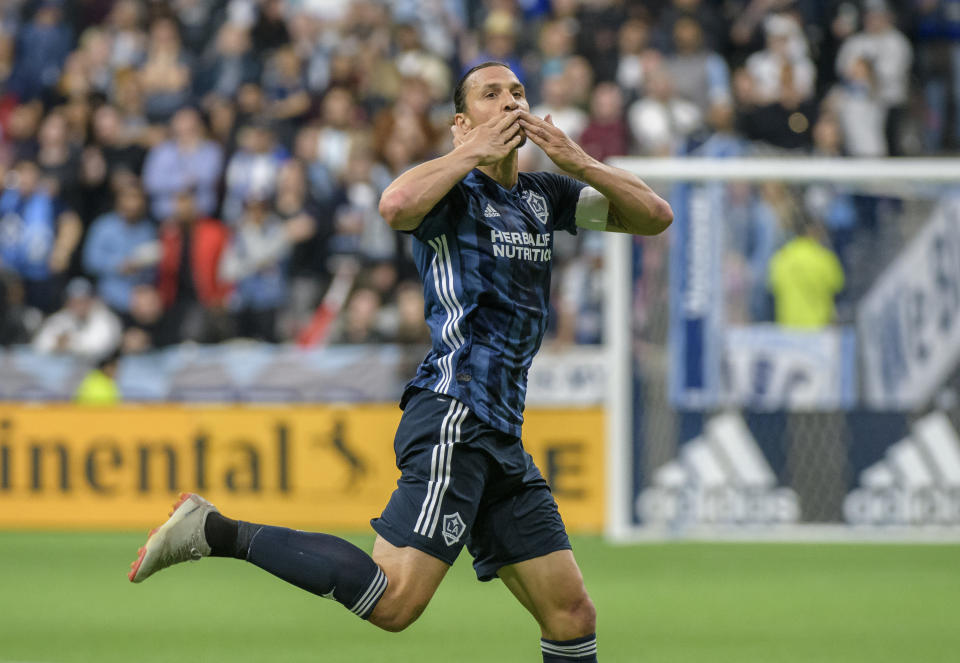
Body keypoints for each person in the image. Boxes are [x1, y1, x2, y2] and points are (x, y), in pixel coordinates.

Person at [128, 62, 672, 662]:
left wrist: (580, 161)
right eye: (491, 95)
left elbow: (654, 216)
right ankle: (214, 531)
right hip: (455, 411)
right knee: (393, 602)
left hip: (501, 435)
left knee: (571, 614)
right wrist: (471, 154)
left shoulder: (547, 197)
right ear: (461, 124)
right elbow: (395, 204)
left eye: (518, 92)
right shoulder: (450, 192)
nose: (511, 102)